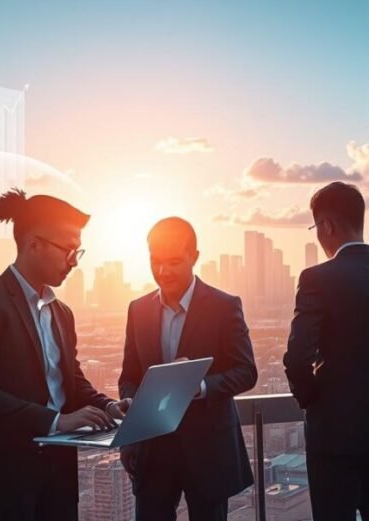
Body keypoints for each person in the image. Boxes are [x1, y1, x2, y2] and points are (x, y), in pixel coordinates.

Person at [0, 189, 130, 520]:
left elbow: (71, 381)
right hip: (2, 477)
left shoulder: (61, 312)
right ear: (34, 243)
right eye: (68, 250)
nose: (74, 262)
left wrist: (108, 405)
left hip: (57, 473)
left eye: (77, 251)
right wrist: (55, 420)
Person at [283, 182, 369, 521]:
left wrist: (313, 400)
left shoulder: (316, 279)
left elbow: (298, 357)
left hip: (333, 429)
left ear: (326, 225)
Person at [119, 217, 257, 521]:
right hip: (152, 449)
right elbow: (129, 376)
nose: (162, 271)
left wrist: (201, 386)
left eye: (173, 262)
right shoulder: (138, 310)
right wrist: (131, 405)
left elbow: (247, 371)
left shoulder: (224, 306)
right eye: (155, 261)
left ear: (194, 257)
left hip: (207, 450)